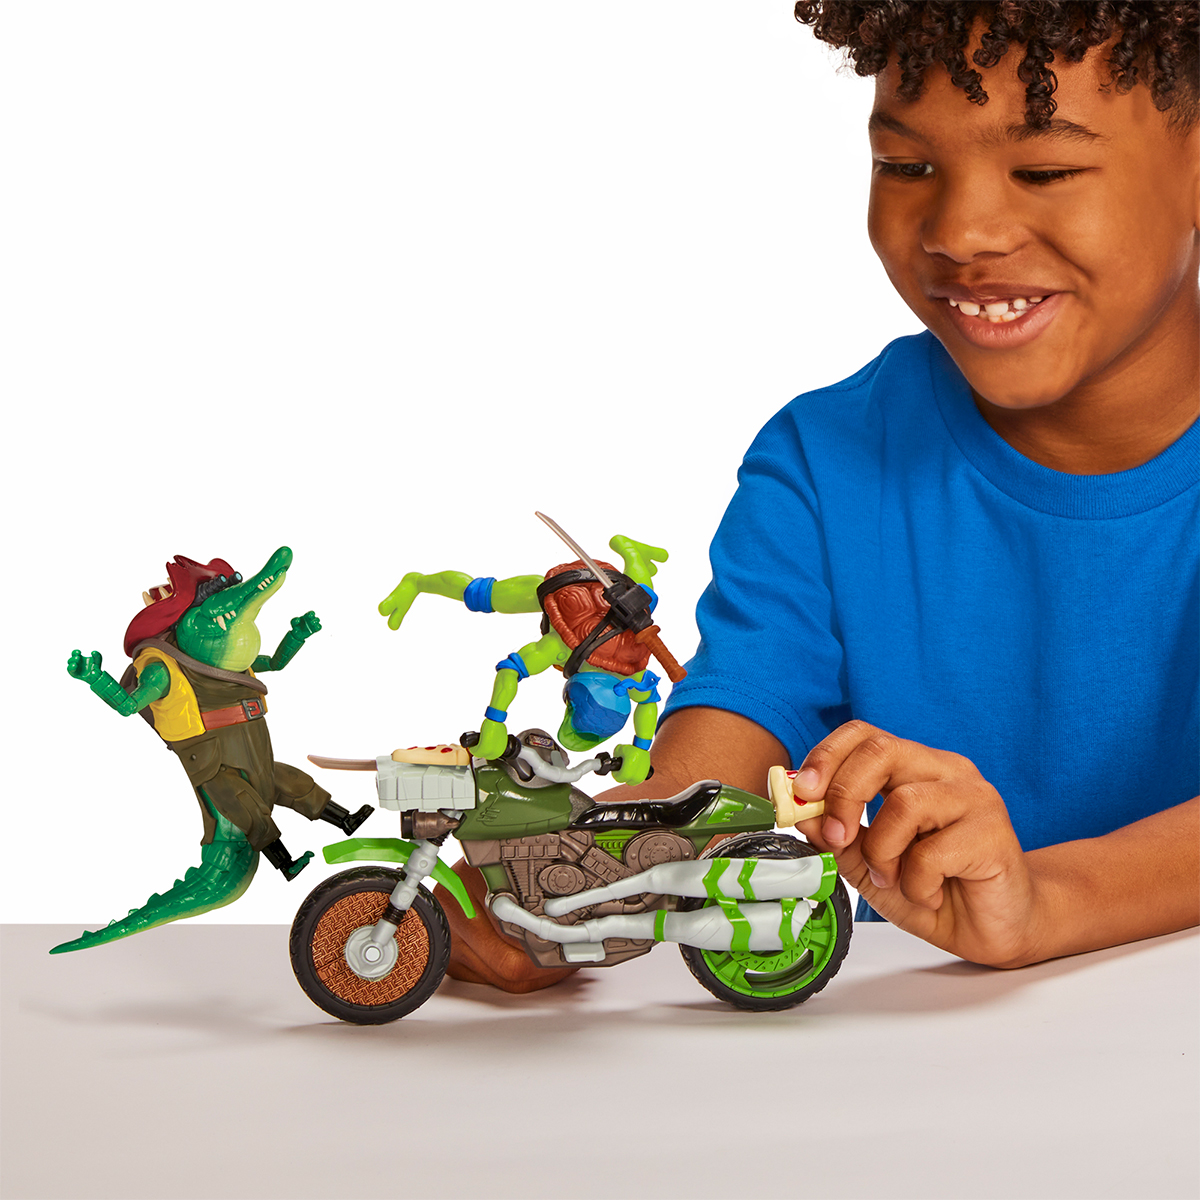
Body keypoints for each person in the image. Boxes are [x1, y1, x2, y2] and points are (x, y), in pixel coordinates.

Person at [440, 1, 1199, 990]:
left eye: (1045, 171)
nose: (960, 230)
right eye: (907, 166)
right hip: (905, 1060)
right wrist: (588, 871)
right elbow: (729, 738)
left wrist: (1041, 903)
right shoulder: (823, 462)